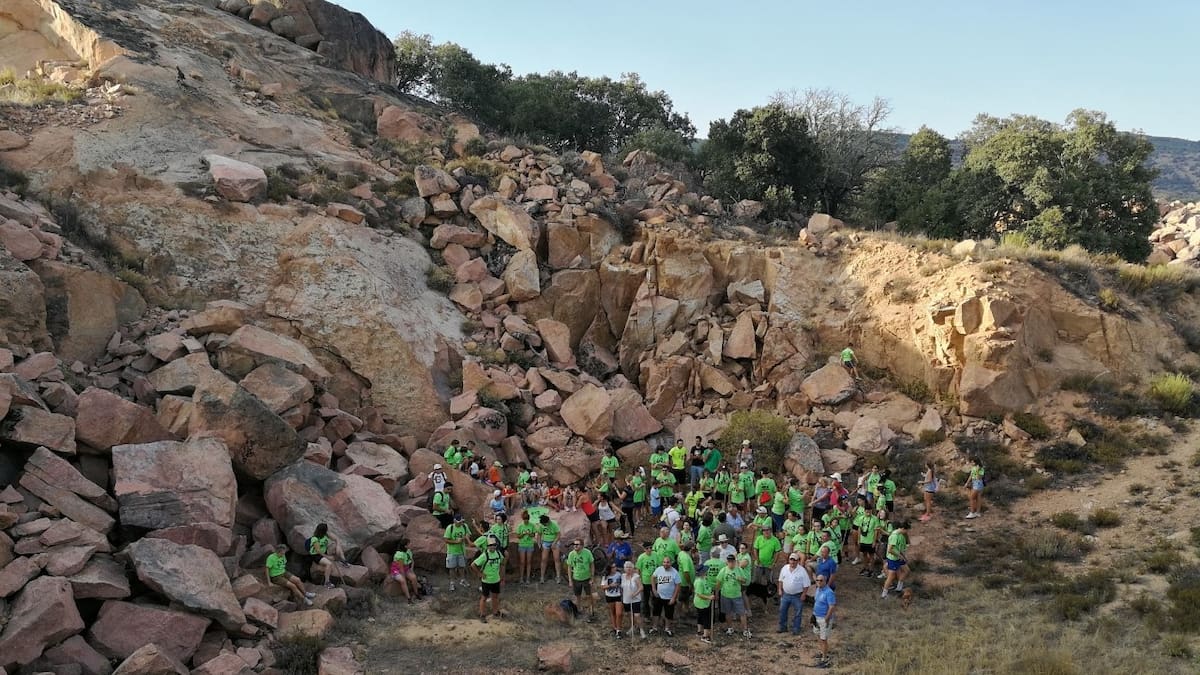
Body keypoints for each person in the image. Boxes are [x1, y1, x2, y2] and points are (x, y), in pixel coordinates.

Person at [715, 554, 750, 638]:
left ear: (735, 562)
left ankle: (745, 630)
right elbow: (718, 582)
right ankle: (730, 628)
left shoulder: (739, 570)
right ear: (727, 562)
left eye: (732, 561)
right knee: (728, 613)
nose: (731, 563)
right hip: (725, 595)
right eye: (729, 561)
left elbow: (745, 581)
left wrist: (741, 579)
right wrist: (716, 593)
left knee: (742, 613)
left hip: (737, 595)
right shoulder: (723, 570)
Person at [777, 553, 812, 635]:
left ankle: (796, 628)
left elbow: (806, 584)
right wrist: (780, 589)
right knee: (782, 611)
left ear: (798, 561)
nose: (792, 562)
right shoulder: (784, 568)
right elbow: (780, 580)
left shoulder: (802, 571)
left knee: (798, 613)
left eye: (794, 560)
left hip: (797, 595)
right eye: (791, 560)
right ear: (789, 560)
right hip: (786, 594)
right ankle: (782, 627)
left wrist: (804, 594)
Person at [472, 537, 504, 622]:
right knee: (484, 597)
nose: (492, 547)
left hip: (496, 580)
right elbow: (473, 565)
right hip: (486, 581)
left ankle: (495, 612)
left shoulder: (498, 553)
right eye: (490, 545)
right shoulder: (485, 555)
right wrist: (479, 574)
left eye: (493, 545)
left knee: (495, 596)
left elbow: (502, 563)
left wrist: (501, 576)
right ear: (487, 546)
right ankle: (482, 614)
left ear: (496, 546)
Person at [649, 554, 682, 636]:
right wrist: (654, 589)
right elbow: (652, 577)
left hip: (669, 597)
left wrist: (674, 597)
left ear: (671, 563)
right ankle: (654, 628)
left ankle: (667, 629)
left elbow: (678, 585)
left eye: (667, 562)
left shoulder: (675, 572)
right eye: (664, 562)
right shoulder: (659, 569)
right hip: (658, 596)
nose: (665, 564)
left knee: (669, 614)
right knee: (656, 612)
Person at [566, 539, 596, 621]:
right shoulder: (571, 554)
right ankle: (578, 610)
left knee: (589, 596)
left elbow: (592, 565)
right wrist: (570, 580)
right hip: (576, 578)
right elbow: (569, 568)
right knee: (577, 596)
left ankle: (591, 611)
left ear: (582, 546)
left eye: (577, 544)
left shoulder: (587, 553)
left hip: (586, 578)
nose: (575, 546)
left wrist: (592, 578)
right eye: (574, 544)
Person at [306, 524, 345, 588]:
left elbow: (335, 539)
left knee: (336, 546)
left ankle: (344, 561)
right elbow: (318, 551)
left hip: (325, 551)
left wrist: (338, 545)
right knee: (329, 564)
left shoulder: (326, 534)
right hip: (316, 555)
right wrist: (329, 557)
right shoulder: (315, 539)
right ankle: (327, 582)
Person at [812, 575, 837, 668]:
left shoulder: (829, 592)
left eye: (821, 580)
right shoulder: (818, 589)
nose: (819, 582)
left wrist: (826, 619)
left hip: (824, 618)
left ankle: (824, 658)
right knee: (818, 635)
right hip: (816, 617)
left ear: (825, 581)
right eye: (817, 580)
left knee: (823, 639)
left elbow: (832, 607)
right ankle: (822, 652)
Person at [882, 521, 910, 598]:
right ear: (903, 528)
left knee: (906, 570)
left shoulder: (900, 535)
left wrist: (904, 557)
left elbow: (899, 548)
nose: (907, 532)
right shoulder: (895, 536)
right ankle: (884, 594)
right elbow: (890, 550)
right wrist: (899, 556)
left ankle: (899, 588)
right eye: (907, 530)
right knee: (891, 577)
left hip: (898, 557)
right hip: (893, 559)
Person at [693, 556, 717, 643]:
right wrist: (709, 597)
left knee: (700, 617)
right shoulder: (699, 581)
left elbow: (708, 586)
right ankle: (705, 636)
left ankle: (700, 631)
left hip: (704, 603)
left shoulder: (704, 579)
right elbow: (699, 594)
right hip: (702, 603)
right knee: (706, 619)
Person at [620, 560, 647, 639]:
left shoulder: (636, 577)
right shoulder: (623, 576)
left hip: (635, 599)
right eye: (627, 567)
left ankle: (641, 630)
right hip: (626, 599)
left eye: (630, 567)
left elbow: (641, 587)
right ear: (624, 568)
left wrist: (635, 594)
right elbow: (621, 587)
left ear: (633, 568)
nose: (628, 569)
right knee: (629, 614)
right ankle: (633, 626)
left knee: (637, 615)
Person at [444, 514, 470, 591]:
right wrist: (456, 541)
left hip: (461, 551)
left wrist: (464, 537)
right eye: (459, 522)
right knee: (452, 568)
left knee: (462, 566)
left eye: (461, 521)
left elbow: (468, 534)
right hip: (452, 552)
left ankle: (463, 580)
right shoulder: (450, 528)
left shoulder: (464, 526)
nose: (461, 523)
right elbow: (446, 540)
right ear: (455, 521)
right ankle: (452, 583)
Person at [536, 514, 562, 584]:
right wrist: (539, 544)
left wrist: (554, 542)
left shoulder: (554, 524)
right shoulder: (541, 525)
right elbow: (539, 534)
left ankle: (558, 576)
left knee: (556, 558)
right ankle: (542, 577)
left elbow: (558, 534)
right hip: (545, 542)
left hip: (554, 541)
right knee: (544, 559)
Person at [602, 561, 625, 638]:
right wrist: (610, 586)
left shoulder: (619, 574)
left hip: (618, 595)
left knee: (619, 613)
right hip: (609, 596)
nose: (615, 568)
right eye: (613, 567)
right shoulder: (606, 576)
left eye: (615, 566)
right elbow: (602, 587)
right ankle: (615, 627)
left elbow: (623, 583)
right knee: (613, 612)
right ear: (609, 568)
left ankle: (619, 630)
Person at [515, 510, 538, 584]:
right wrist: (523, 534)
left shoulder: (532, 525)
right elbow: (518, 536)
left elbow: (533, 535)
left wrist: (529, 533)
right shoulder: (520, 526)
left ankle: (528, 578)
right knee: (522, 562)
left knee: (529, 562)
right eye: (525, 519)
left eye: (527, 519)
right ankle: (521, 577)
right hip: (522, 545)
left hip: (530, 545)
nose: (526, 521)